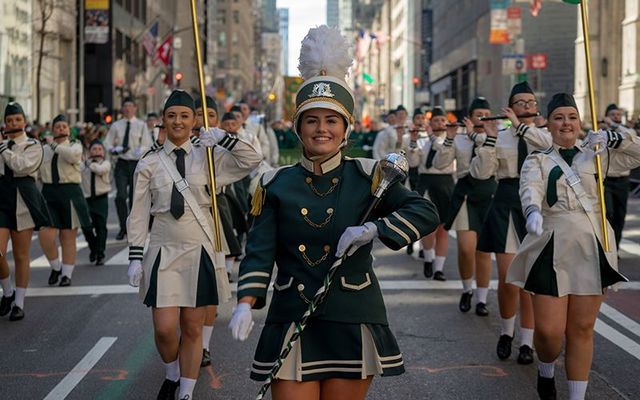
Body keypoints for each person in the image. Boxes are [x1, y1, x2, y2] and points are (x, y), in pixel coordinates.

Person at [228, 25, 439, 400]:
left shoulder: (369, 176)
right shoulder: (275, 183)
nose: (321, 129)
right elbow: (259, 250)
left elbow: (424, 211)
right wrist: (245, 302)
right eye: (312, 120)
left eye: (331, 120)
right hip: (293, 312)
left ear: (345, 129)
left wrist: (375, 229)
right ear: (299, 127)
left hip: (352, 313)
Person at [126, 90, 261, 400]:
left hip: (199, 247)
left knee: (192, 326)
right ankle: (172, 370)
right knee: (164, 327)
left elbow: (251, 160)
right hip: (163, 249)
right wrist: (135, 256)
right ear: (163, 119)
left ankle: (185, 390)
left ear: (194, 121)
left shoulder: (209, 155)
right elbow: (137, 213)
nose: (178, 121)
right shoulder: (148, 163)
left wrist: (224, 138)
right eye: (172, 115)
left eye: (185, 116)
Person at [507, 93, 638, 400]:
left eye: (572, 117)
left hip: (592, 244)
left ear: (580, 122)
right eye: (558, 117)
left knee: (581, 329)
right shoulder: (537, 159)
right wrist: (533, 212)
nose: (566, 123)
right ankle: (546, 368)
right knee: (550, 334)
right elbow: (530, 189)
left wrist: (616, 138)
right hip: (551, 244)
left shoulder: (598, 153)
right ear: (548, 125)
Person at [470, 82, 539, 365]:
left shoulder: (543, 135)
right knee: (510, 277)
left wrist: (523, 127)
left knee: (532, 283)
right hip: (506, 201)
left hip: (538, 208)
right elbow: (481, 173)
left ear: (536, 107)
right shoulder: (500, 136)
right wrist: (487, 139)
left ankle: (527, 342)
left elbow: (547, 149)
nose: (525, 107)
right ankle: (506, 333)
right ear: (510, 107)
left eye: (530, 102)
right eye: (519, 102)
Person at [433, 97, 497, 316]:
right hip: (465, 194)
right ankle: (467, 289)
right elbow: (440, 164)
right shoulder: (459, 139)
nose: (483, 118)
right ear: (468, 117)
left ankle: (481, 299)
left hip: (488, 194)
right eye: (478, 114)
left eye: (486, 114)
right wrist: (449, 139)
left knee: (483, 252)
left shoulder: (495, 138)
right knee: (466, 249)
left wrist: (482, 136)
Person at [0, 102, 51, 320]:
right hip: (1, 196)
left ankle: (18, 303)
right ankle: (8, 291)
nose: (13, 123)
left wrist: (4, 149)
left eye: (17, 120)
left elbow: (21, 167)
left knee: (21, 254)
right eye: (10, 120)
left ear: (25, 122)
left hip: (23, 197)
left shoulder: (33, 144)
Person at [38, 114, 92, 287]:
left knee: (68, 236)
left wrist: (53, 144)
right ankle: (56, 267)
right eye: (57, 126)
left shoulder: (75, 145)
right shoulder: (43, 149)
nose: (61, 129)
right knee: (45, 234)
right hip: (49, 192)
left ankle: (66, 275)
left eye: (64, 126)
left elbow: (72, 157)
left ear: (69, 130)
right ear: (52, 130)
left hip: (70, 191)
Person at [407, 106, 454, 280]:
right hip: (425, 182)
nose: (440, 123)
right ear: (430, 122)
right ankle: (428, 259)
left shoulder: (450, 141)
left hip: (445, 183)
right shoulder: (421, 141)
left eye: (442, 120)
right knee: (429, 226)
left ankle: (439, 268)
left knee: (443, 229)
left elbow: (442, 152)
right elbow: (412, 163)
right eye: (436, 120)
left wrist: (433, 136)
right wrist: (412, 141)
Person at [105, 96, 151, 240]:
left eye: (131, 105)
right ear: (123, 109)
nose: (128, 108)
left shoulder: (141, 125)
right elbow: (107, 144)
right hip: (122, 163)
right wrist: (114, 149)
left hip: (136, 163)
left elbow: (147, 144)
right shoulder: (116, 125)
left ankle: (133, 228)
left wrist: (141, 150)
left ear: (135, 108)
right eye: (126, 106)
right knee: (120, 197)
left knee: (134, 198)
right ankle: (122, 227)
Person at [601, 103, 637, 248]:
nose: (616, 117)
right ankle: (607, 246)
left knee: (620, 215)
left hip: (623, 181)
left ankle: (615, 246)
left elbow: (631, 136)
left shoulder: (627, 132)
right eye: (613, 115)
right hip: (607, 181)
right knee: (608, 213)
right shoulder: (601, 133)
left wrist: (614, 126)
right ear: (606, 117)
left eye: (618, 115)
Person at [80, 140, 112, 266]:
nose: (97, 151)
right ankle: (93, 248)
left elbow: (100, 170)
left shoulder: (106, 163)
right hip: (87, 199)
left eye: (100, 149)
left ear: (103, 152)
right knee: (86, 226)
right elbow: (77, 168)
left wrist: (89, 162)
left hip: (101, 198)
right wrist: (85, 161)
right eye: (94, 149)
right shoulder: (84, 165)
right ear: (89, 152)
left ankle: (100, 253)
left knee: (101, 227)